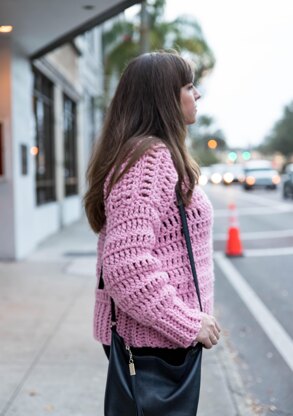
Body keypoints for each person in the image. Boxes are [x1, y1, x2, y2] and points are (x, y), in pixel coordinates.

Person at [84, 51, 221, 370]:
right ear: (163, 99)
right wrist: (188, 323)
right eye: (188, 86)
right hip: (154, 345)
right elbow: (127, 265)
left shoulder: (148, 155)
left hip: (157, 340)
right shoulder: (149, 161)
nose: (197, 93)